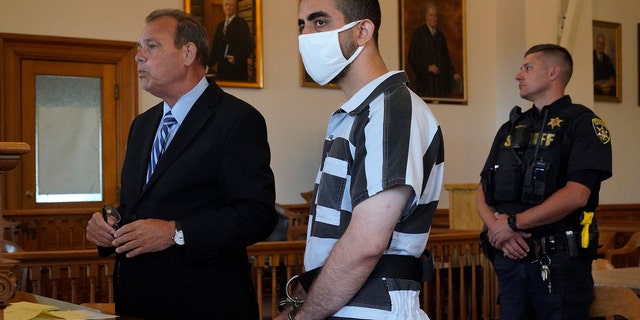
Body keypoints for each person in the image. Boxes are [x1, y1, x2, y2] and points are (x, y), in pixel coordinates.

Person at [85, 9, 277, 319]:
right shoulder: (143, 125)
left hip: (204, 304)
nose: (138, 56)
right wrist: (108, 222)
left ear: (188, 53)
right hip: (138, 301)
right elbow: (138, 205)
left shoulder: (237, 120)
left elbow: (257, 214)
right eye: (138, 47)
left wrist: (176, 232)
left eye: (152, 46)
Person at [277, 0, 445, 319]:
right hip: (340, 303)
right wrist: (293, 308)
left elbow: (366, 244)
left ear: (362, 31)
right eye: (302, 25)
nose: (307, 36)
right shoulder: (358, 113)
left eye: (320, 22)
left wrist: (303, 317)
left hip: (375, 308)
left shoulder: (391, 110)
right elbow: (333, 244)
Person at [476, 44, 612, 319]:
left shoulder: (583, 124)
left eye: (527, 67)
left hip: (560, 268)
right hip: (510, 262)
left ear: (553, 72)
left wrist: (513, 224)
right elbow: (482, 189)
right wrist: (497, 230)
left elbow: (576, 195)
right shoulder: (511, 127)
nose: (518, 75)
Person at [407, 4, 461, 98]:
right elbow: (412, 57)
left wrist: (453, 73)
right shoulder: (419, 34)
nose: (434, 18)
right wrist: (427, 68)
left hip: (439, 85)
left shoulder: (440, 36)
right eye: (431, 15)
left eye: (435, 15)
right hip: (425, 84)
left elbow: (446, 59)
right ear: (426, 17)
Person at [207, 0, 255, 81]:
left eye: (231, 5)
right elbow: (216, 47)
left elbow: (250, 45)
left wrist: (237, 58)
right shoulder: (220, 26)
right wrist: (208, 64)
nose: (228, 7)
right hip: (222, 68)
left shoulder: (241, 23)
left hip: (237, 69)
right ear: (223, 6)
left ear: (234, 7)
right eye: (226, 5)